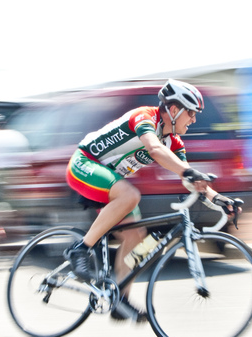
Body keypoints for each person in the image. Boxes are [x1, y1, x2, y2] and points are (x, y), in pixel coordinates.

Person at [63, 79, 237, 322]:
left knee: (137, 239)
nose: (194, 120)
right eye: (191, 113)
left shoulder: (174, 142)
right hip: (84, 165)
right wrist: (187, 173)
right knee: (131, 195)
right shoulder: (145, 117)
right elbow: (154, 149)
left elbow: (189, 176)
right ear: (174, 110)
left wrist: (218, 199)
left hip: (109, 183)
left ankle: (119, 299)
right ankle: (79, 248)